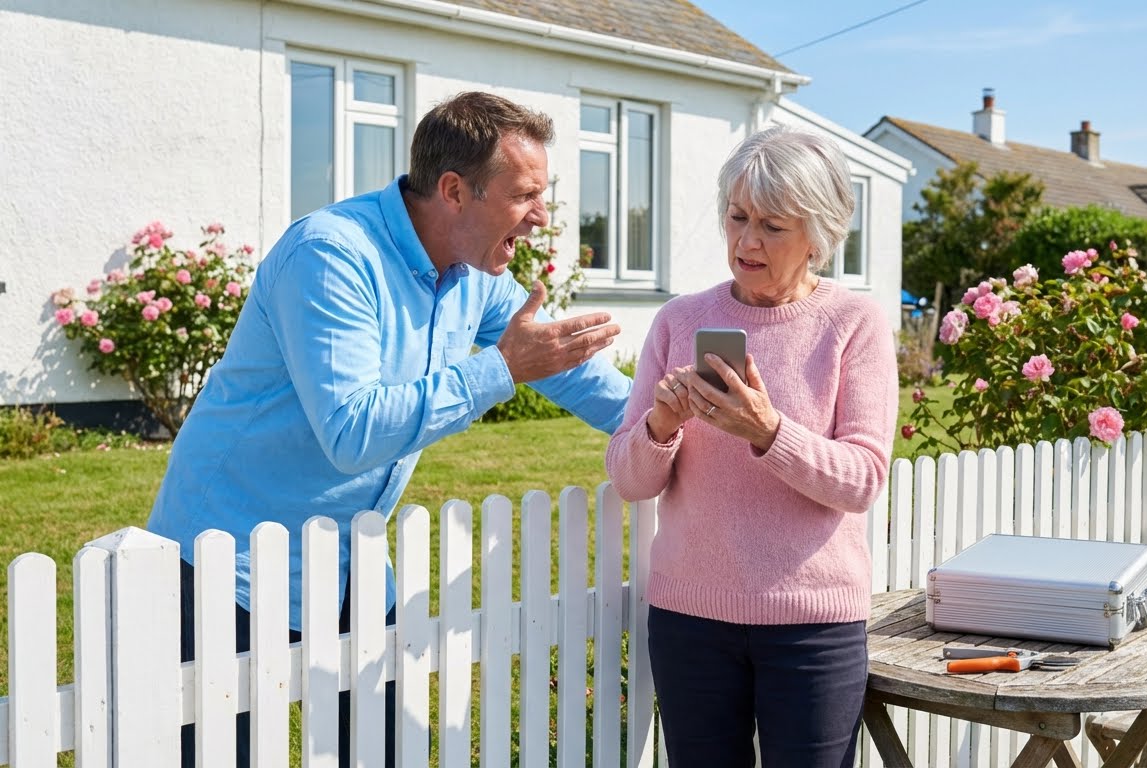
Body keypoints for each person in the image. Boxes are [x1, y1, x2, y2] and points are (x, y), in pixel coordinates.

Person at [148, 91, 631, 767]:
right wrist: (499, 370)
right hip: (229, 560)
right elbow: (351, 433)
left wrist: (681, 420)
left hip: (350, 558)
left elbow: (570, 371)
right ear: (455, 190)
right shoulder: (331, 255)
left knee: (378, 746)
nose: (542, 217)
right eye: (525, 194)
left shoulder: (471, 275)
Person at [604, 125, 898, 768]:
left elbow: (864, 479)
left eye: (772, 224)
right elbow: (628, 481)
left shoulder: (854, 325)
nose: (746, 240)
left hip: (812, 627)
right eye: (737, 217)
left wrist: (769, 432)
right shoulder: (679, 321)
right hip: (690, 621)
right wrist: (659, 427)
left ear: (817, 234)